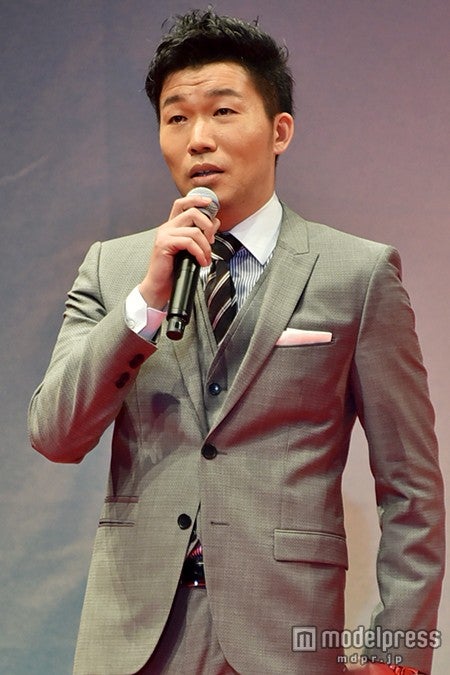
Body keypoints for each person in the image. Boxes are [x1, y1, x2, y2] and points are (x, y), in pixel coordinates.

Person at [28, 9, 445, 675]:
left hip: (285, 636)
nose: (199, 139)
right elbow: (55, 433)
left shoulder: (357, 274)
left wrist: (399, 652)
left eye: (223, 112)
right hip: (132, 639)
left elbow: (411, 484)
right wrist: (145, 303)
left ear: (279, 130)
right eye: (177, 117)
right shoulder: (112, 269)